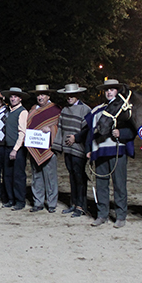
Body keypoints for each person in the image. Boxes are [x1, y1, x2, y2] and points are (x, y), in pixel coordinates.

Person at [85, 79, 135, 228]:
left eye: (112, 90)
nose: (108, 92)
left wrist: (122, 132)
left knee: (119, 184)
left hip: (117, 150)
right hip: (100, 151)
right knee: (101, 184)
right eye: (107, 90)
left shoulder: (123, 109)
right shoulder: (97, 110)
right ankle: (102, 214)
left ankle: (120, 216)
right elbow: (90, 131)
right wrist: (89, 149)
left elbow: (133, 130)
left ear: (117, 92)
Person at [53, 83, 91, 217]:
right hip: (68, 149)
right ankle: (73, 204)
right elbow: (61, 128)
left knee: (79, 177)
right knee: (72, 176)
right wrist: (58, 146)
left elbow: (88, 130)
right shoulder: (64, 110)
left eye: (72, 95)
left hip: (79, 148)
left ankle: (81, 206)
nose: (69, 97)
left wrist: (76, 138)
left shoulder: (85, 109)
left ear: (78, 95)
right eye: (67, 95)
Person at [26, 84, 62, 213]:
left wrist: (51, 129)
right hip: (34, 147)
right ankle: (38, 202)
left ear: (48, 96)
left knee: (50, 176)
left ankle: (52, 203)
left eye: (43, 95)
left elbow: (60, 125)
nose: (40, 97)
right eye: (38, 95)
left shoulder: (56, 109)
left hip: (49, 148)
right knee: (36, 176)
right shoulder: (33, 109)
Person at [0, 87, 29, 211]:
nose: (13, 98)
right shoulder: (9, 111)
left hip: (17, 148)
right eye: (11, 96)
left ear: (20, 98)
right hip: (8, 146)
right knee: (7, 175)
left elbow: (22, 132)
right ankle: (11, 199)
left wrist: (15, 149)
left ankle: (20, 201)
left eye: (15, 96)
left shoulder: (22, 112)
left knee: (18, 175)